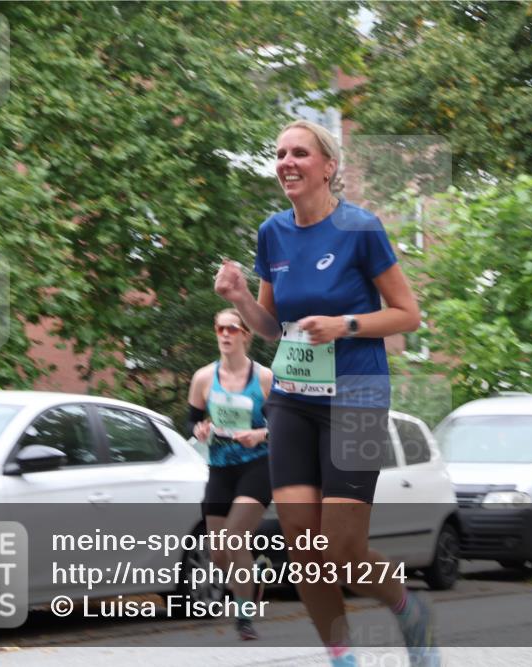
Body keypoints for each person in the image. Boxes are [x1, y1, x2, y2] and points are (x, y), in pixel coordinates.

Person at [214, 119, 437, 667]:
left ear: (328, 166)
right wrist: (241, 297)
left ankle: (407, 608)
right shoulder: (273, 233)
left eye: (300, 153)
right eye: (280, 154)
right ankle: (342, 656)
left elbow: (407, 314)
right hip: (291, 398)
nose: (286, 162)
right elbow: (271, 326)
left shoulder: (360, 228)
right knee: (301, 546)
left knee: (339, 553)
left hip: (357, 397)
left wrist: (347, 326)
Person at [187, 308, 274, 641]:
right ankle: (255, 574)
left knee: (235, 535)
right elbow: (192, 420)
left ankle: (244, 618)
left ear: (245, 335)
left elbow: (284, 422)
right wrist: (200, 430)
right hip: (220, 467)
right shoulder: (204, 378)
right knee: (219, 551)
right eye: (220, 328)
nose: (225, 334)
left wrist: (260, 435)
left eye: (232, 329)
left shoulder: (264, 378)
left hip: (257, 465)